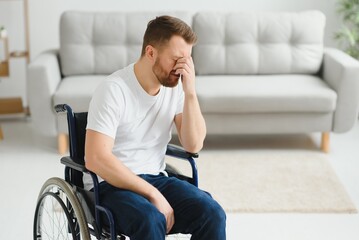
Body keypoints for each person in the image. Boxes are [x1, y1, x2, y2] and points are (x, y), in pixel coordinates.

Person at [84, 15, 226, 240]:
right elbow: (95, 158)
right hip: (112, 185)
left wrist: (190, 91)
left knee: (212, 213)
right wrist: (151, 193)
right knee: (150, 219)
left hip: (156, 177)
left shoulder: (175, 87)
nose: (181, 69)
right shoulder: (113, 90)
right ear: (151, 53)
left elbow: (193, 143)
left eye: (187, 61)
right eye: (176, 59)